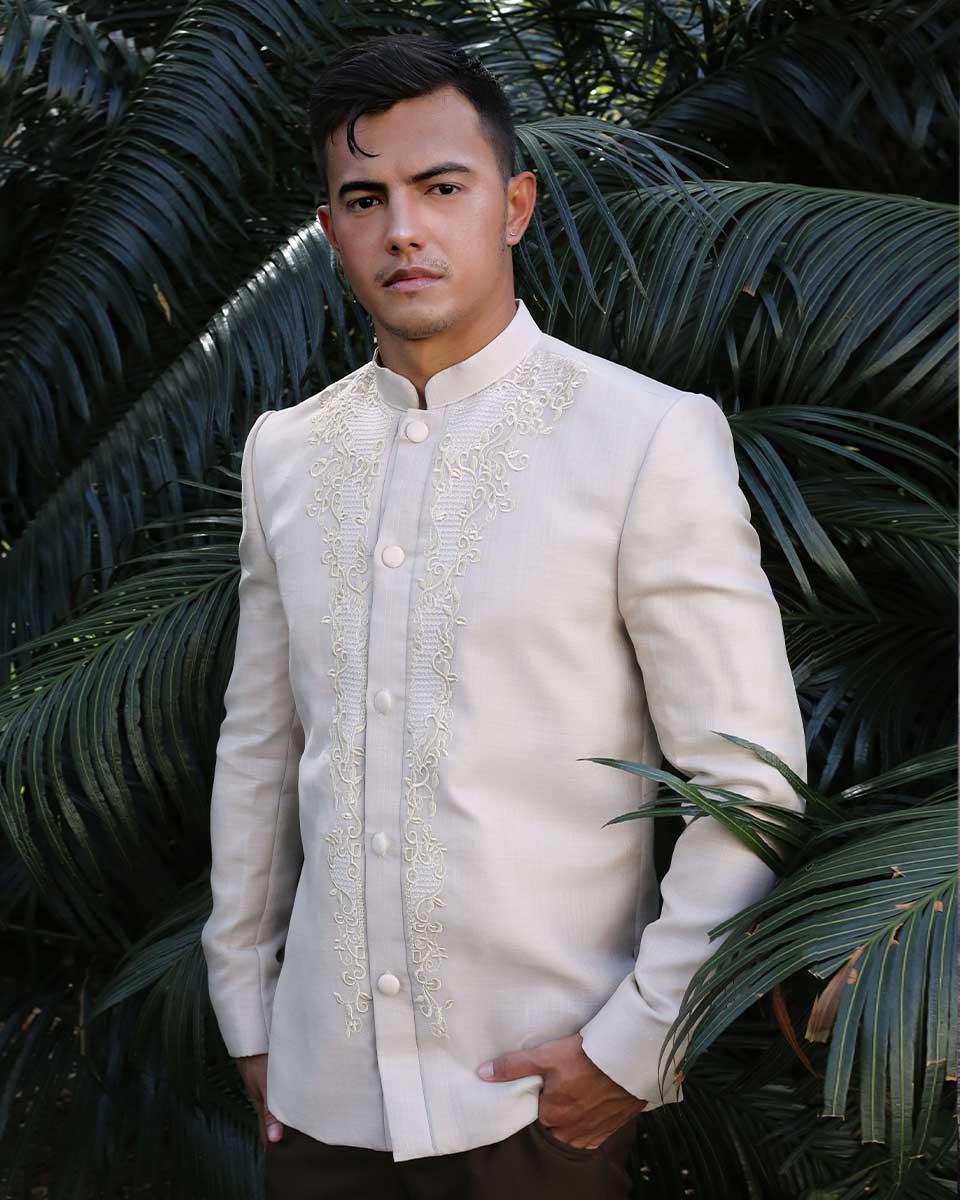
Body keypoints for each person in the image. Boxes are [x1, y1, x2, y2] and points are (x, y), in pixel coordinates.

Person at [199, 31, 808, 1200]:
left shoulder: (641, 439)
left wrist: (637, 1048)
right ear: (331, 230)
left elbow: (749, 778)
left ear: (514, 204)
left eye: (442, 187)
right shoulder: (285, 453)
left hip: (541, 1104)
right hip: (323, 1104)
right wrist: (247, 1010)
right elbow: (260, 752)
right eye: (364, 199)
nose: (403, 229)